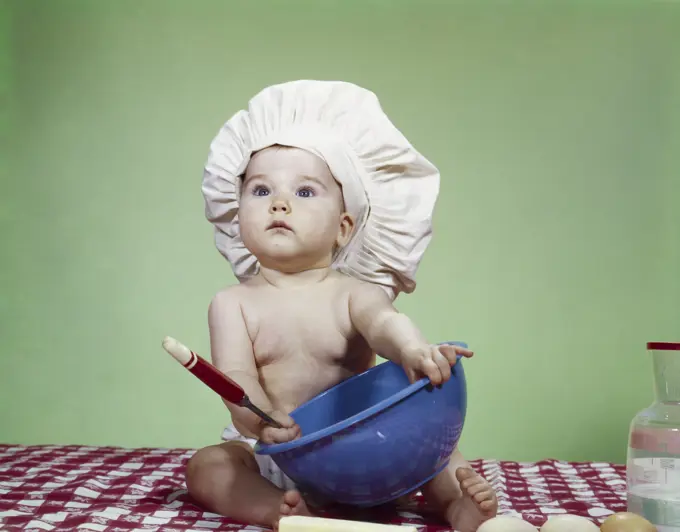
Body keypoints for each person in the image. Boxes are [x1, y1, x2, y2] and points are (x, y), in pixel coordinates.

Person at [186, 80, 498, 531]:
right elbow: (235, 376)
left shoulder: (352, 292)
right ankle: (281, 511)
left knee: (439, 452)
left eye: (305, 192)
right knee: (209, 466)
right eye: (259, 191)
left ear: (344, 227)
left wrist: (415, 351)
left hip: (367, 450)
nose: (279, 203)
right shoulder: (232, 303)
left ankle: (458, 507)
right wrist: (257, 417)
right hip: (279, 454)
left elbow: (385, 323)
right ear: (236, 215)